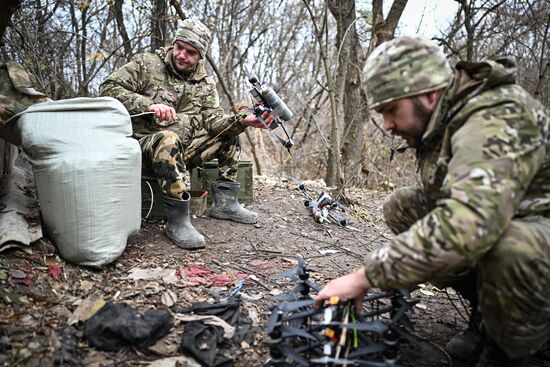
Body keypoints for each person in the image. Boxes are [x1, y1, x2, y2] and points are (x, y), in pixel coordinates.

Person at [315, 36, 550, 367]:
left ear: (428, 94)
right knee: (404, 205)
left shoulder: (495, 117)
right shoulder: (446, 116)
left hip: (535, 238)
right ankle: (488, 317)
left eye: (391, 110)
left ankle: (525, 349)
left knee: (511, 246)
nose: (387, 125)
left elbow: (468, 222)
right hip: (511, 219)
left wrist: (364, 276)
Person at [100, 19, 272, 250]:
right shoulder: (146, 63)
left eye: (191, 52)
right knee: (168, 138)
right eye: (179, 47)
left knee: (230, 133)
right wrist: (148, 104)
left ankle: (225, 203)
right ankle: (178, 220)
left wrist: (243, 121)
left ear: (200, 56)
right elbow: (108, 88)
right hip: (143, 149)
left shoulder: (205, 83)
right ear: (173, 44)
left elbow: (213, 122)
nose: (182, 55)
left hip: (181, 152)